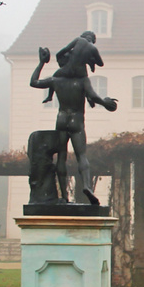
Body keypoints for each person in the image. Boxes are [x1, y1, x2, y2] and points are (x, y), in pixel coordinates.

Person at [29, 38, 117, 205]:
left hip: (61, 119)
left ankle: (64, 197)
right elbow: (94, 97)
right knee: (81, 156)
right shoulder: (82, 80)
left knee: (61, 157)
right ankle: (87, 186)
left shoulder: (56, 80)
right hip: (77, 120)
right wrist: (106, 103)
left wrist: (41, 63)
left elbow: (34, 82)